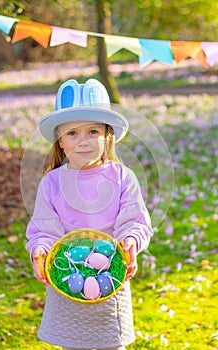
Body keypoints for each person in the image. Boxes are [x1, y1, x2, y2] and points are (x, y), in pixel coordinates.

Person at [26, 78, 153, 350]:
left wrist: (130, 241)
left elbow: (135, 220)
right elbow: (44, 229)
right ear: (60, 142)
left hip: (110, 276)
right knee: (72, 343)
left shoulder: (122, 177)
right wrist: (40, 249)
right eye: (72, 133)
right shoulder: (52, 183)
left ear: (107, 135)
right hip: (67, 279)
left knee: (111, 343)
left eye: (92, 131)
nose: (82, 141)